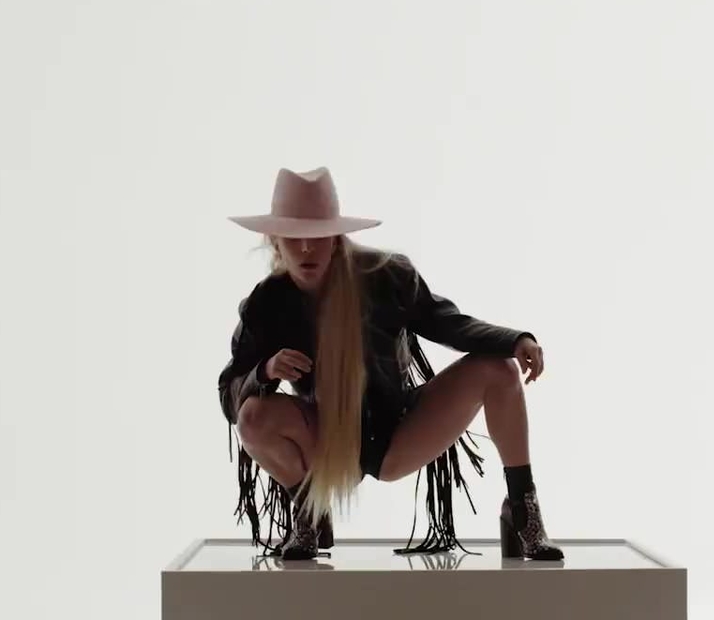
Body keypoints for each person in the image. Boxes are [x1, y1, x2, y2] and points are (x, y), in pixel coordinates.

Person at [216, 167, 563, 562]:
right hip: (323, 437)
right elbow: (230, 394)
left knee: (500, 370)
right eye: (294, 237)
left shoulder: (386, 276)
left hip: (399, 429)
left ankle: (522, 511)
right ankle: (308, 511)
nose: (307, 248)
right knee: (253, 417)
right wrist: (265, 371)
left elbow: (447, 323)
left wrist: (514, 340)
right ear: (275, 241)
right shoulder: (266, 304)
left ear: (337, 237)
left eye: (319, 236)